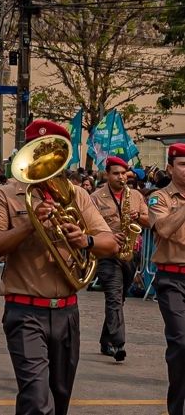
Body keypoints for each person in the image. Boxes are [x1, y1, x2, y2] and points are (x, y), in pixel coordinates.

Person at [0, 119, 117, 415]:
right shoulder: (5, 194)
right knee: (38, 399)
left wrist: (85, 240)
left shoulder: (78, 195)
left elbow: (110, 243)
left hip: (67, 312)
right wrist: (29, 225)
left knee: (59, 397)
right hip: (25, 310)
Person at [90, 156, 149, 362]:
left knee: (120, 298)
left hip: (130, 253)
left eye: (124, 173)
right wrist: (106, 235)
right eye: (116, 173)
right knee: (113, 298)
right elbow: (88, 225)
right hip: (107, 254)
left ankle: (106, 340)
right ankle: (118, 343)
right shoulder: (96, 197)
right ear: (107, 174)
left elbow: (149, 221)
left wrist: (138, 218)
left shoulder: (135, 196)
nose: (121, 177)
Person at [148, 143, 185, 415]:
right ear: (170, 168)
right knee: (181, 342)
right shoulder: (159, 198)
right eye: (182, 164)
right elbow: (164, 229)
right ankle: (177, 407)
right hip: (172, 279)